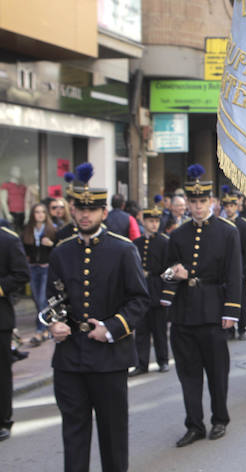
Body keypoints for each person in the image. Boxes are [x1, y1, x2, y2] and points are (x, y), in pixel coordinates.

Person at [46, 163, 149, 471]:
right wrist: (54, 322)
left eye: (92, 210)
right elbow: (53, 298)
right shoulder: (61, 252)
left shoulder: (122, 250)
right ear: (72, 211)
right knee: (74, 435)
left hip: (109, 357)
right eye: (79, 209)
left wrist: (111, 328)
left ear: (104, 213)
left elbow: (140, 299)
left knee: (113, 434)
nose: (84, 215)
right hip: (69, 359)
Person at [162, 165, 242, 447]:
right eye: (192, 202)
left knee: (217, 373)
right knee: (189, 375)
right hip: (184, 314)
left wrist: (231, 311)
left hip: (213, 312)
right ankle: (194, 424)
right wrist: (175, 274)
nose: (196, 207)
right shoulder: (178, 235)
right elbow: (165, 273)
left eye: (201, 202)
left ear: (211, 202)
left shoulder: (227, 232)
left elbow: (234, 274)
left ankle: (220, 419)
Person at [131, 198, 170, 376]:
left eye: (156, 221)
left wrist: (166, 294)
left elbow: (168, 270)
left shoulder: (164, 242)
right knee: (141, 330)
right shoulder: (136, 244)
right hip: (142, 289)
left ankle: (163, 360)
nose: (154, 225)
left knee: (159, 329)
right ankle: (141, 363)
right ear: (143, 222)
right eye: (151, 221)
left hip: (157, 287)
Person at [0, 224, 29, 441]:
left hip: (1, 318)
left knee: (1, 373)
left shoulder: (8, 240)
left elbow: (21, 274)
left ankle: (3, 420)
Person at [220, 186, 246, 339]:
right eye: (226, 206)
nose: (229, 209)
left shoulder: (244, 224)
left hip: (239, 265)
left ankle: (241, 328)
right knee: (226, 296)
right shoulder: (221, 224)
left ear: (237, 207)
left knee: (240, 298)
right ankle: (229, 329)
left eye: (231, 206)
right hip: (224, 266)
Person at [22, 202, 56, 345]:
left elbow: (58, 250)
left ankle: (40, 330)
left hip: (46, 268)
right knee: (36, 299)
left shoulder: (51, 229)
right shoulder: (28, 230)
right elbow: (22, 249)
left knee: (43, 299)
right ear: (33, 215)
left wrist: (51, 245)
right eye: (37, 212)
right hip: (33, 268)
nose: (40, 215)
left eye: (42, 212)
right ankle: (46, 326)